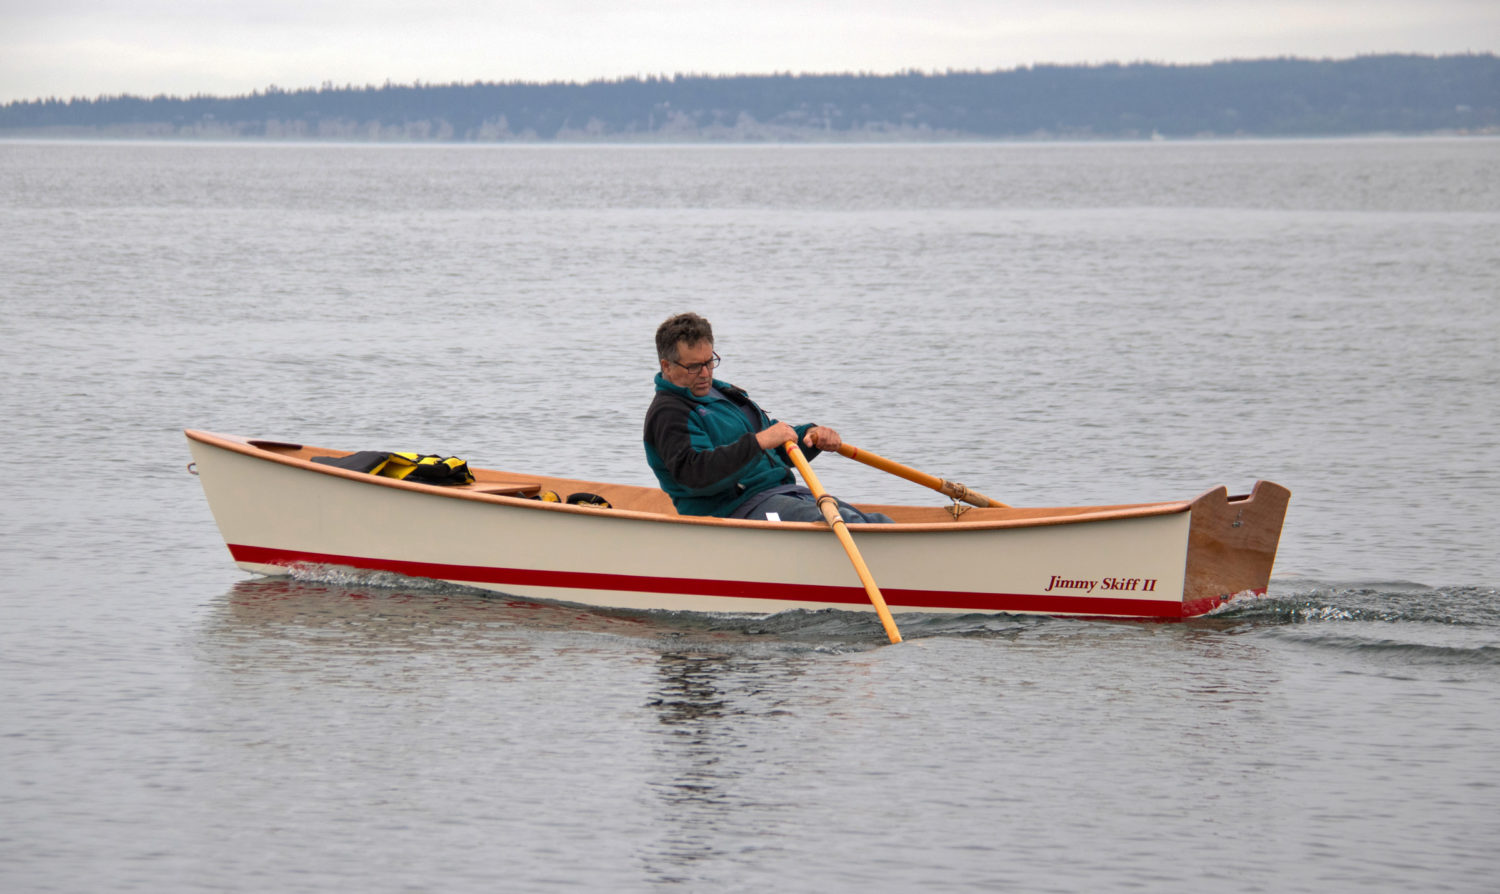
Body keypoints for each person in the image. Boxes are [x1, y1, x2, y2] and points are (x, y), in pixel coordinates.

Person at [643, 312, 892, 524]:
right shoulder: (669, 413)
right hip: (733, 511)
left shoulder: (723, 394)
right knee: (845, 524)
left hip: (783, 493)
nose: (705, 373)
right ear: (666, 366)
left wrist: (809, 436)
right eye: (694, 366)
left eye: (710, 362)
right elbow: (695, 476)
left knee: (879, 523)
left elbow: (772, 448)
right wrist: (760, 441)